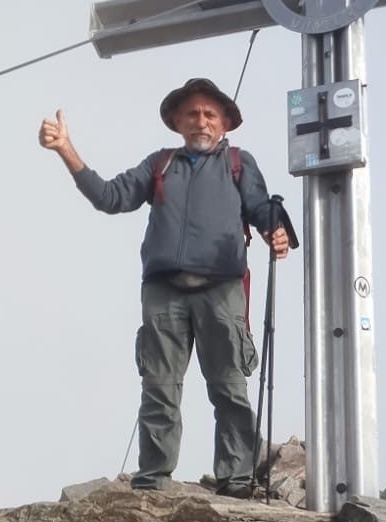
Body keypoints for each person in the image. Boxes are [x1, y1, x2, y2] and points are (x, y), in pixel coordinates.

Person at [39, 77, 290, 496]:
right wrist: (66, 149)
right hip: (163, 291)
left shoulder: (239, 163)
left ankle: (236, 479)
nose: (201, 121)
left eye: (210, 114)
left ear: (225, 123)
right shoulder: (160, 164)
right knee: (159, 388)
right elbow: (110, 197)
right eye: (192, 114)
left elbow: (262, 209)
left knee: (229, 387)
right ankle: (153, 480)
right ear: (177, 121)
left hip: (221, 289)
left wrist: (276, 231)